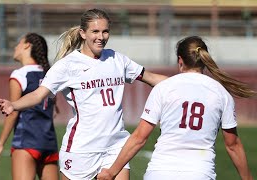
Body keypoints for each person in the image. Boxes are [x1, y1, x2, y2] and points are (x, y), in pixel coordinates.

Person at [0, 9, 167, 180]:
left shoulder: (117, 59)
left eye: (105, 31)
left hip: (116, 146)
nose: (101, 37)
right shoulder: (67, 66)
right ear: (83, 33)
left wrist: (189, 80)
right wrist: (14, 105)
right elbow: (37, 95)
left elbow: (151, 78)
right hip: (82, 149)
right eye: (95, 31)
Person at [97, 36, 255, 180]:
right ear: (204, 60)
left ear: (180, 60)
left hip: (160, 172)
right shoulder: (221, 93)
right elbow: (232, 145)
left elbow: (139, 138)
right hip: (200, 173)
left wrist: (111, 172)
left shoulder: (163, 88)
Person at [0, 33, 59, 180]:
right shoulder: (50, 74)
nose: (15, 47)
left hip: (26, 142)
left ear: (27, 45)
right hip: (49, 143)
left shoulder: (20, 74)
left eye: (18, 43)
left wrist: (0, 144)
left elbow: (13, 112)